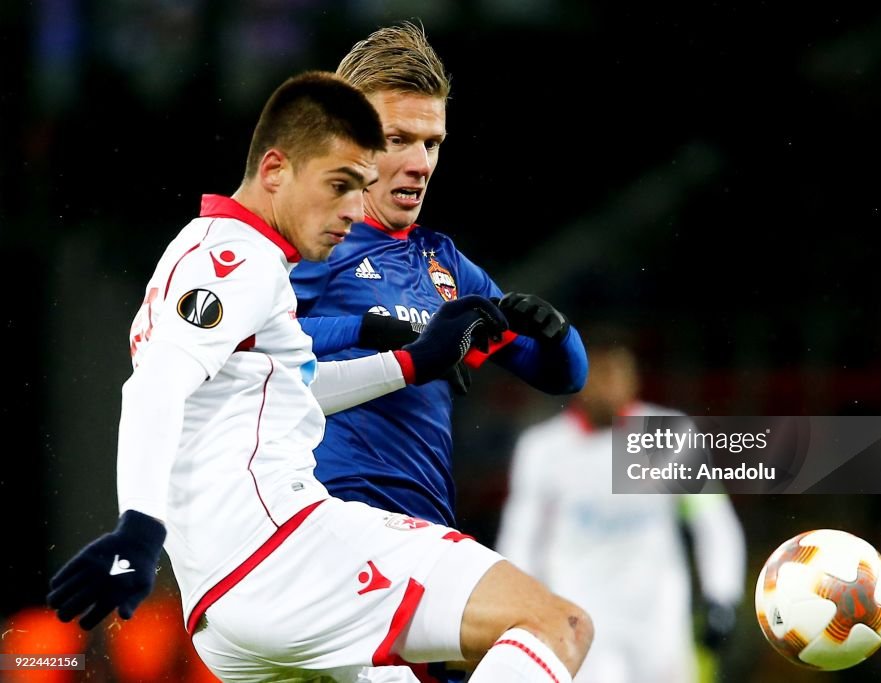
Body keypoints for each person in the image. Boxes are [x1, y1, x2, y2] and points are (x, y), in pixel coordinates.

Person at [46, 71, 593, 683]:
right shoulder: (239, 260)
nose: (354, 210)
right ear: (275, 170)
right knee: (558, 625)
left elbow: (285, 393)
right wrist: (138, 529)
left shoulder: (207, 251)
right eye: (339, 185)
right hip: (284, 550)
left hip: (223, 612)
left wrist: (410, 364)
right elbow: (154, 387)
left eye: (360, 188)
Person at [290, 22, 588, 531]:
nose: (419, 164)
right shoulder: (309, 241)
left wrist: (555, 332)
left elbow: (563, 376)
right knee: (552, 616)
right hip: (331, 520)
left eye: (431, 144)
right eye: (397, 139)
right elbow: (247, 346)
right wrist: (369, 329)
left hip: (425, 526)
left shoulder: (442, 262)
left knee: (548, 615)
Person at [496, 329, 746, 683]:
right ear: (579, 377)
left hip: (659, 616)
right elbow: (520, 537)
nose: (608, 385)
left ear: (633, 379)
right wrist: (519, 610)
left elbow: (713, 522)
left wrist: (722, 595)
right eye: (599, 374)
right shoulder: (543, 449)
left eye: (617, 373)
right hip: (579, 615)